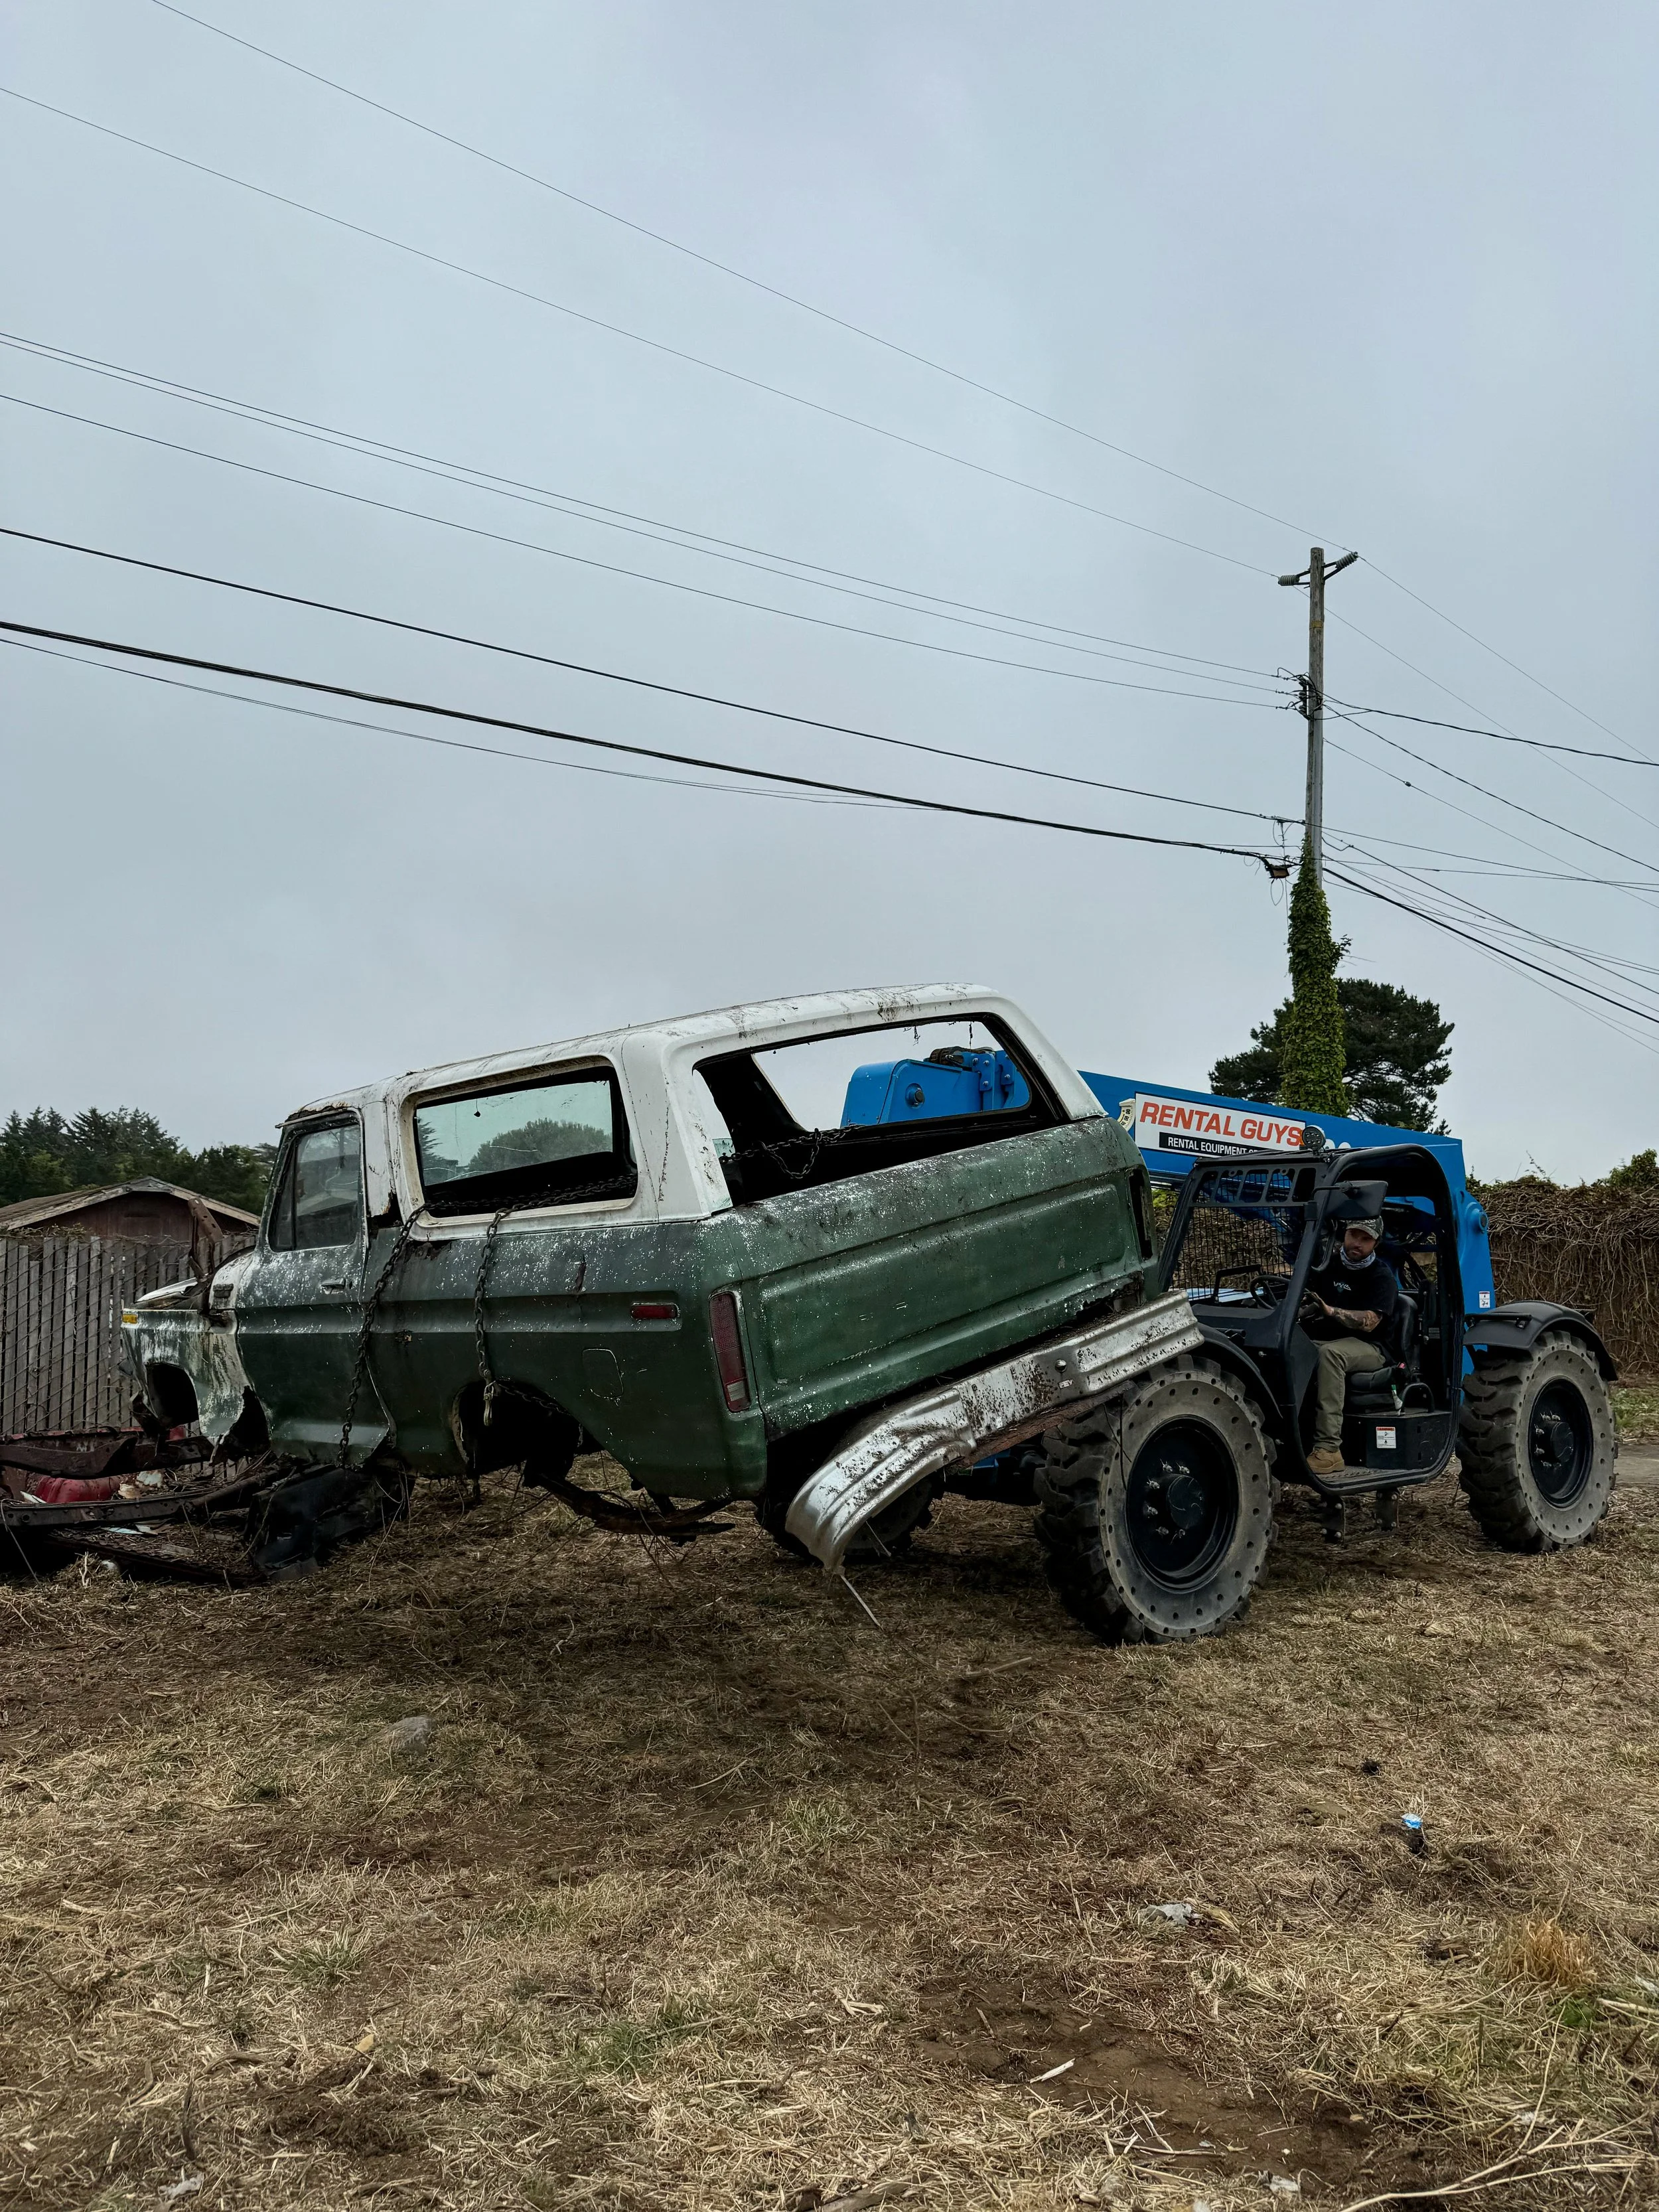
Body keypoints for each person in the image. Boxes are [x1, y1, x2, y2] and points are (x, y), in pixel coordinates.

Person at [1300, 1199, 1400, 1475]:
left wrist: (1332, 1311)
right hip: (1326, 1338)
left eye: (1366, 1239)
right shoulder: (1326, 1265)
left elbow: (1370, 1323)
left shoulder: (1381, 1277)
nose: (1358, 1243)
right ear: (1344, 1233)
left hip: (1372, 1347)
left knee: (1330, 1355)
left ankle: (1329, 1450)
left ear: (1375, 1244)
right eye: (1354, 1234)